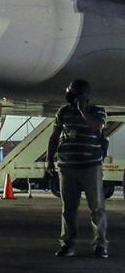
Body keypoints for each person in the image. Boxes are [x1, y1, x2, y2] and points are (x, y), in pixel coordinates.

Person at [47, 79, 108, 258]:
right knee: (68, 208)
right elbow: (54, 136)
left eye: (73, 92)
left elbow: (97, 126)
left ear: (83, 95)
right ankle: (68, 244)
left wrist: (83, 110)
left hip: (91, 167)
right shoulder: (63, 112)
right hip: (67, 167)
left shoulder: (97, 112)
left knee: (96, 207)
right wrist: (50, 160)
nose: (69, 95)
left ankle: (100, 244)